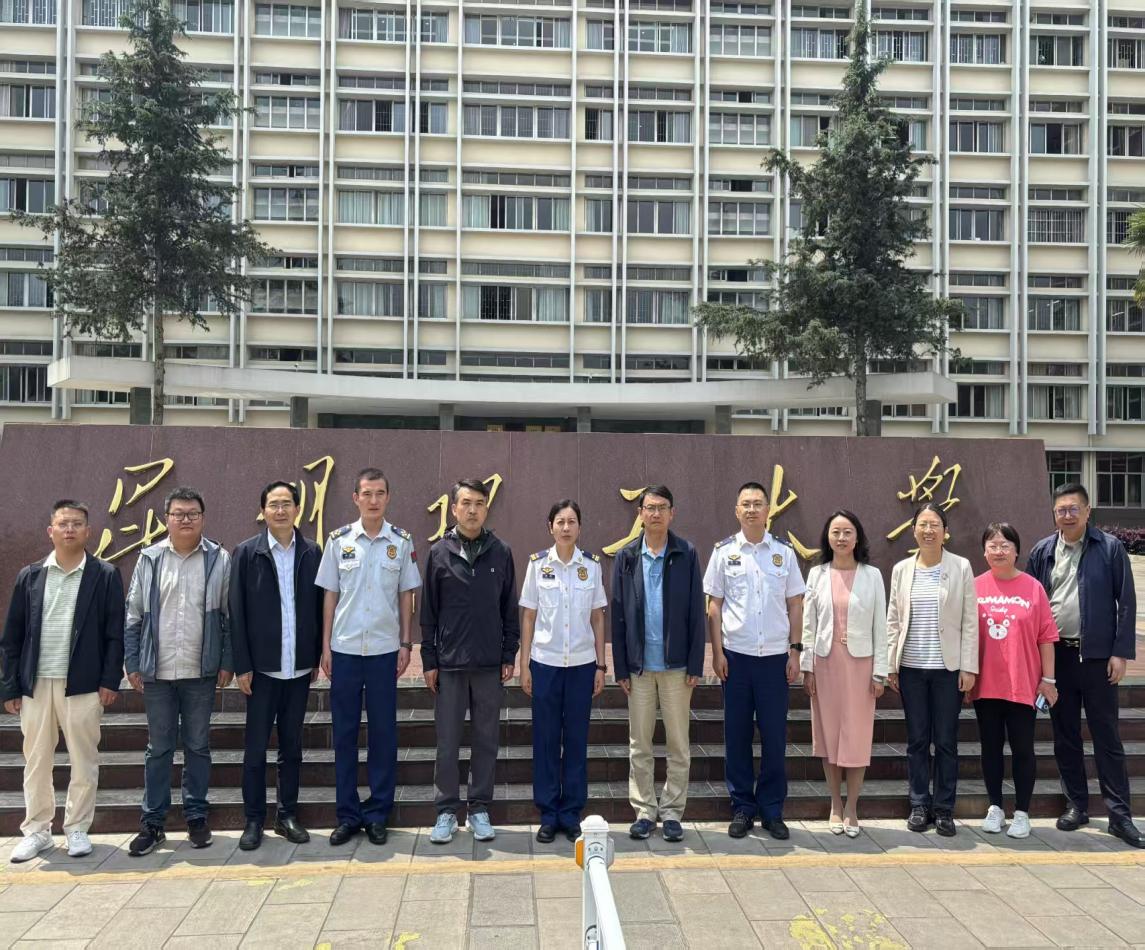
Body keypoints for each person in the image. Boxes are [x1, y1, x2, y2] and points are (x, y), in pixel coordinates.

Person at [0, 501, 124, 863]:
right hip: (36, 683)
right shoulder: (30, 576)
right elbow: (12, 637)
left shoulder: (104, 575)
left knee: (84, 758)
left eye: (77, 523)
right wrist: (10, 687)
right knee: (36, 760)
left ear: (89, 531)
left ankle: (77, 828)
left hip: (83, 684)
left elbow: (114, 633)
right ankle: (38, 831)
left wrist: (109, 680)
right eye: (63, 523)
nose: (69, 529)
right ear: (50, 531)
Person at [1027, 482, 1143, 847]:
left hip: (1097, 658)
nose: (1067, 515)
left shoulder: (1109, 548)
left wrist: (1120, 653)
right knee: (1065, 736)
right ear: (1054, 513)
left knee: (1107, 738)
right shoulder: (1043, 551)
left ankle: (1120, 816)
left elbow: (1126, 602)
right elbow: (1032, 604)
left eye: (1074, 509)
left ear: (1088, 511)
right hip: (1057, 658)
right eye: (1061, 510)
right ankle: (1076, 805)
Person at [124, 486, 232, 856]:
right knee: (159, 748)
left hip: (200, 671)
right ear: (166, 519)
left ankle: (196, 817)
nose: (186, 520)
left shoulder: (219, 559)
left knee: (198, 746)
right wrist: (133, 661)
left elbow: (228, 616)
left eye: (192, 514)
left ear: (203, 518)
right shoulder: (150, 558)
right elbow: (133, 614)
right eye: (178, 514)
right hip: (158, 672)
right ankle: (152, 823)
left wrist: (227, 661)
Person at [316, 467, 420, 847]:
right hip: (344, 651)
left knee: (382, 735)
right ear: (355, 498)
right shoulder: (338, 541)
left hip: (383, 652)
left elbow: (406, 595)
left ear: (388, 497)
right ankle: (347, 815)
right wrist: (326, 646)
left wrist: (406, 643)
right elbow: (329, 595)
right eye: (367, 493)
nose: (373, 500)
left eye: (379, 493)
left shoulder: (401, 542)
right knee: (344, 735)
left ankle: (378, 814)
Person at [704, 482, 805, 841]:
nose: (751, 509)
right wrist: (717, 653)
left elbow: (796, 604)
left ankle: (772, 809)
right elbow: (714, 606)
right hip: (736, 658)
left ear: (768, 511)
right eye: (745, 504)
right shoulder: (723, 552)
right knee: (737, 736)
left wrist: (795, 651)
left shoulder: (783, 553)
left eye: (757, 504)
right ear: (736, 510)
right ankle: (743, 807)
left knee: (774, 737)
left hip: (775, 659)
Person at [421, 478, 519, 844]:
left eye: (479, 503)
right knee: (447, 741)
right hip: (449, 664)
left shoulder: (501, 552)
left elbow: (509, 608)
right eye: (466, 503)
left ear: (486, 508)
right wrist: (429, 659)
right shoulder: (438, 553)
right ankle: (446, 810)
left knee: (486, 739)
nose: (473, 509)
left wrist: (509, 653)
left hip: (489, 664)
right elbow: (428, 612)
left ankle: (478, 808)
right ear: (454, 508)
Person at [229, 481, 324, 851]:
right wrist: (242, 665)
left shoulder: (312, 552)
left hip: (298, 669)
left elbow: (319, 608)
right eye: (273, 504)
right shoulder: (246, 553)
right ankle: (253, 819)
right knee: (255, 749)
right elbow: (236, 612)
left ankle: (287, 816)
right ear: (263, 511)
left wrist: (314, 656)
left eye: (287, 503)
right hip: (262, 671)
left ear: (298, 509)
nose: (280, 510)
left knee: (291, 748)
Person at [613, 485, 705, 843]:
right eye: (649, 508)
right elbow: (618, 613)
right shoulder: (627, 556)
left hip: (676, 667)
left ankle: (671, 812)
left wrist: (696, 663)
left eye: (661, 507)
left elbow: (696, 610)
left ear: (672, 513)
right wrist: (620, 667)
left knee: (678, 744)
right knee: (640, 744)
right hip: (639, 668)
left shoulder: (686, 553)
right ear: (639, 513)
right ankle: (644, 811)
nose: (655, 514)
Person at [519, 499, 607, 844]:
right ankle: (548, 813)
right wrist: (525, 664)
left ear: (579, 527)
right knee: (545, 740)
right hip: (545, 664)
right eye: (560, 521)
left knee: (575, 740)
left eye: (572, 521)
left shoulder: (591, 567)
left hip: (582, 665)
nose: (566, 527)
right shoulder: (537, 565)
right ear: (550, 527)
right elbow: (528, 616)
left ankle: (570, 813)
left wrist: (601, 664)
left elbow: (597, 617)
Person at [886, 502, 977, 837]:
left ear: (945, 531)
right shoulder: (901, 570)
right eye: (923, 524)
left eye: (934, 524)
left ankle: (944, 809)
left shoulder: (961, 567)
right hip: (911, 668)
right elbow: (893, 619)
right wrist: (891, 664)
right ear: (914, 531)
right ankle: (919, 804)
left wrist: (968, 667)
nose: (928, 530)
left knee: (947, 741)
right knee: (917, 740)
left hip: (947, 670)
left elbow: (970, 621)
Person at [801, 510, 886, 838]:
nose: (841, 538)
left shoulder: (872, 576)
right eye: (835, 532)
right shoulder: (817, 574)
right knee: (829, 737)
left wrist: (880, 673)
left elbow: (881, 627)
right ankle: (835, 804)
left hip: (861, 666)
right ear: (827, 537)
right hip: (825, 664)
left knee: (857, 737)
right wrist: (807, 666)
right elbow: (809, 624)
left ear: (857, 537)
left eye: (847, 532)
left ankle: (852, 807)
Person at [971, 522, 1059, 839]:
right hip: (986, 685)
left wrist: (1048, 679)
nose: (999, 551)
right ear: (984, 552)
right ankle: (995, 807)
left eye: (1005, 545)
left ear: (1017, 551)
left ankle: (1022, 812)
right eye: (993, 545)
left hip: (1022, 684)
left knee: (1023, 749)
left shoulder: (1033, 588)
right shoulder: (974, 587)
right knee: (990, 748)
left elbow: (1046, 637)